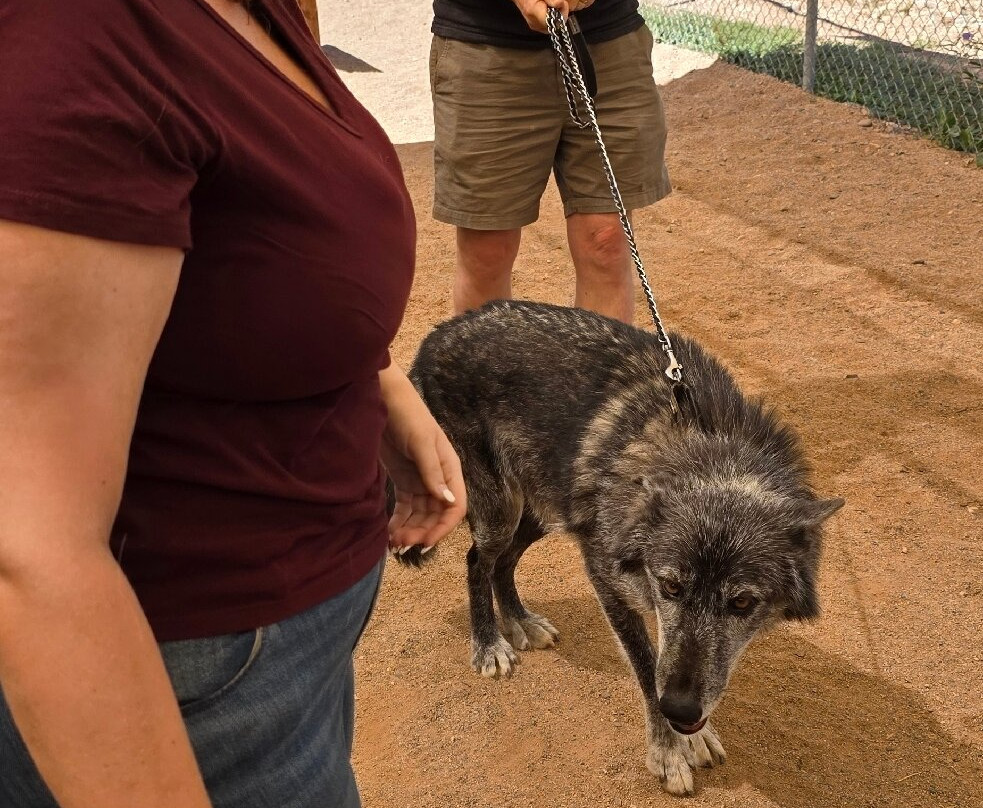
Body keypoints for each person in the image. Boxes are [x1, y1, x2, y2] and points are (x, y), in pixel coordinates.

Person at [0, 2, 466, 808]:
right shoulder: (67, 39)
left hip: (284, 637)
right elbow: (26, 549)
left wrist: (372, 376)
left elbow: (247, 250)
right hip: (191, 673)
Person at [430, 0, 672, 324]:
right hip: (485, 42)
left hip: (606, 40)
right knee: (487, 252)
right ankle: (485, 375)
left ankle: (594, 376)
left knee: (606, 242)